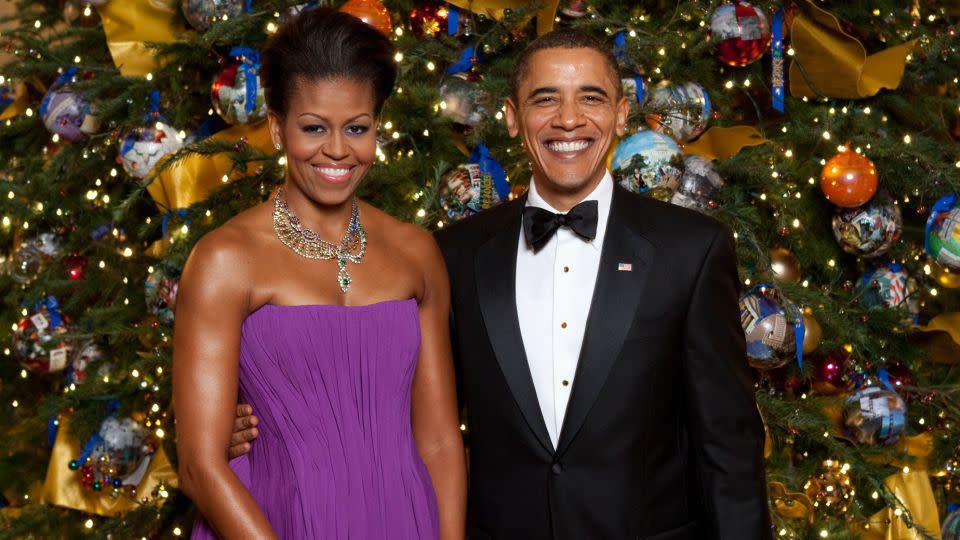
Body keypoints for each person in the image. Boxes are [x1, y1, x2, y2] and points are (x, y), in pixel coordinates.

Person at [230, 28, 770, 539]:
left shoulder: (691, 250)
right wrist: (251, 427)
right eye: (544, 99)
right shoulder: (455, 254)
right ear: (512, 117)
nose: (568, 120)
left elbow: (728, 447)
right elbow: (398, 400)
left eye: (591, 98)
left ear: (622, 114)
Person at [173, 8, 466, 539]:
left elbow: (441, 442)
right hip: (271, 524)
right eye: (314, 128)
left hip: (406, 521)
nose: (337, 150)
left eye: (357, 128)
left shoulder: (415, 251)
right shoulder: (224, 259)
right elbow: (200, 465)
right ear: (277, 128)